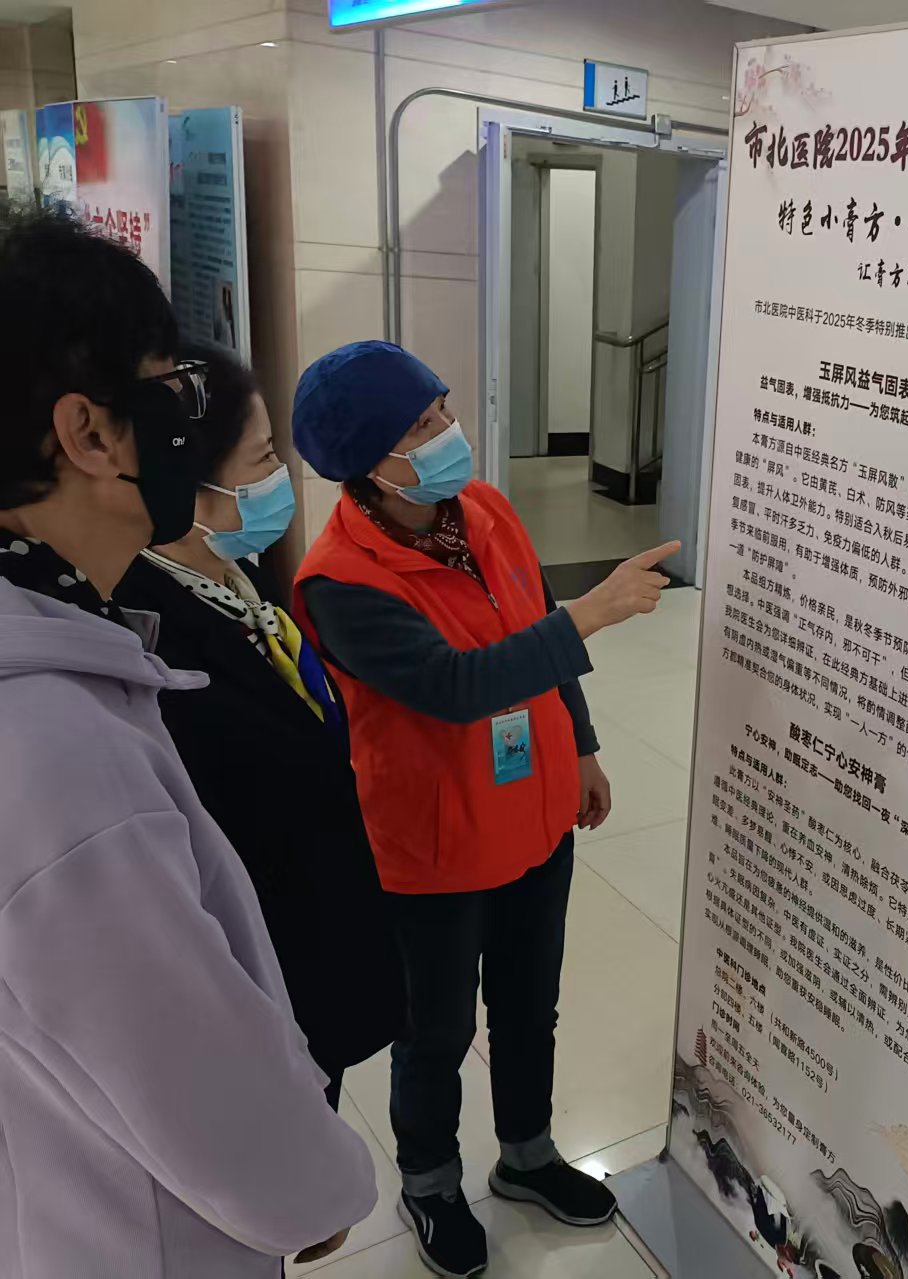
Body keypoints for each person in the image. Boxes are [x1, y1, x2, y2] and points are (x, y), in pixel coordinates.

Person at [0, 206, 374, 1275]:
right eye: (170, 392)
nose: (189, 425)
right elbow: (188, 1067)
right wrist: (316, 1184)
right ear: (89, 433)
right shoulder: (52, 753)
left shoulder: (69, 639)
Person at [291, 339, 679, 1278]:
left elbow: (531, 622)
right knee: (437, 1030)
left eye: (442, 409)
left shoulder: (485, 508)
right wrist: (593, 613)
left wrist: (580, 745)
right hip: (435, 845)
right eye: (421, 425)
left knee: (529, 1003)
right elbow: (456, 685)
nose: (446, 432)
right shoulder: (339, 580)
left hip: (534, 809)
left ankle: (527, 1154)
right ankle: (428, 1182)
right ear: (369, 462)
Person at [113, 344, 404, 1108]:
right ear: (189, 483)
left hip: (321, 930)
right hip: (264, 969)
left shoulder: (238, 574)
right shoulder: (150, 638)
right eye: (266, 455)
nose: (282, 475)